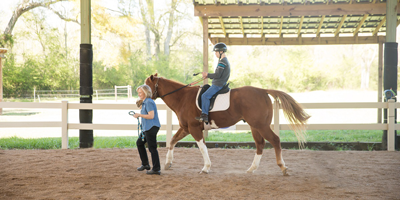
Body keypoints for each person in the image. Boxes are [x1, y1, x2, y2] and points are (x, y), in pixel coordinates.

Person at [196, 42, 231, 123]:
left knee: (205, 96)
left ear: (221, 51)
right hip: (219, 83)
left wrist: (207, 75)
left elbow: (217, 75)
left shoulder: (222, 62)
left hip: (218, 85)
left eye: (216, 52)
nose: (215, 54)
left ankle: (204, 115)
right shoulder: (224, 61)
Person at [134, 84, 161, 175]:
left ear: (146, 92)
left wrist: (139, 115)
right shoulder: (145, 102)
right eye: (138, 92)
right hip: (147, 127)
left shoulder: (149, 102)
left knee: (152, 148)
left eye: (141, 92)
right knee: (139, 143)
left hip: (151, 127)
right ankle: (145, 164)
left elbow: (151, 116)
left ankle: (156, 169)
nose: (139, 94)